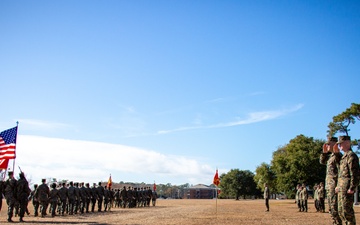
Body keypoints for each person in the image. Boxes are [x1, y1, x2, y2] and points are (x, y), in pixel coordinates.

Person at [335, 136, 360, 225]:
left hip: (347, 188)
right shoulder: (343, 157)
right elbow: (341, 174)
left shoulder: (351, 156)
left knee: (347, 212)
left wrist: (352, 187)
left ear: (347, 143)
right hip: (341, 188)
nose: (339, 146)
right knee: (341, 211)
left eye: (341, 144)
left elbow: (355, 173)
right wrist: (338, 186)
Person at [320, 136, 342, 224]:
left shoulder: (338, 156)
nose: (327, 146)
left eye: (329, 144)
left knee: (335, 208)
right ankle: (335, 222)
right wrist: (324, 153)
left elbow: (341, 172)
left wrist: (338, 185)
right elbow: (322, 162)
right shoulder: (330, 157)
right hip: (329, 186)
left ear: (334, 144)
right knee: (331, 209)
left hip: (335, 185)